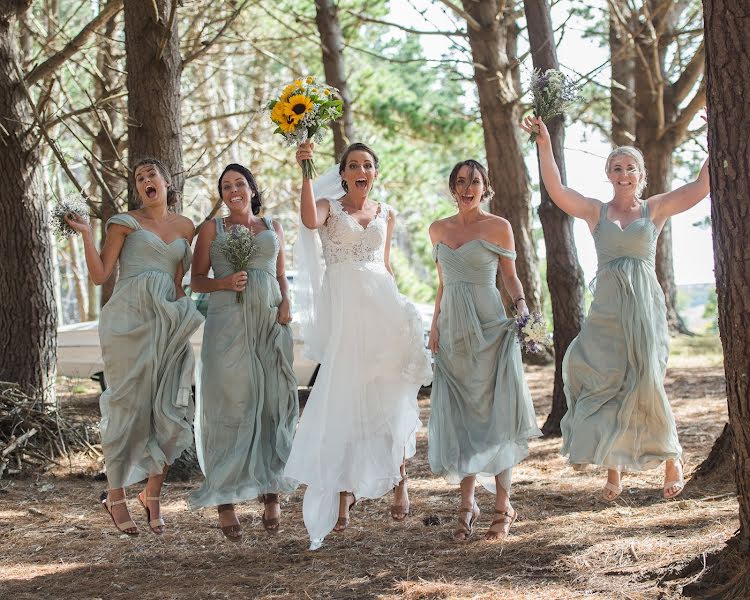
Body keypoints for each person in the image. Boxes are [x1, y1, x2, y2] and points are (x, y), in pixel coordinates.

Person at [521, 115, 710, 501]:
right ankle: (614, 470)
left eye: (630, 168)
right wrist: (543, 143)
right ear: (608, 174)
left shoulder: (653, 209)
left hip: (643, 309)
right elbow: (556, 189)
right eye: (617, 168)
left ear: (641, 175)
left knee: (646, 379)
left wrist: (712, 139)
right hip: (606, 312)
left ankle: (671, 457)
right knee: (605, 382)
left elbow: (700, 187)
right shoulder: (596, 212)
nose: (624, 173)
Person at [284, 141, 432, 549]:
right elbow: (308, 219)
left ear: (375, 173)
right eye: (353, 165)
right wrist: (305, 170)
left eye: (368, 165)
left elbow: (384, 266)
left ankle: (401, 480)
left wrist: (404, 309)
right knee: (345, 399)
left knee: (391, 398)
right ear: (343, 173)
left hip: (384, 313)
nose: (361, 170)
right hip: (348, 318)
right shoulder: (330, 207)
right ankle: (343, 494)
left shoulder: (387, 213)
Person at [65, 158, 204, 535]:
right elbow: (99, 275)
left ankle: (152, 496)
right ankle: (115, 496)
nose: (145, 181)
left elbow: (178, 282)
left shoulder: (186, 227)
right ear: (138, 189)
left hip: (169, 324)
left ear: (166, 181)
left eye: (151, 175)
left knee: (168, 410)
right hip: (129, 321)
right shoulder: (124, 223)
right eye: (139, 178)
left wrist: (184, 312)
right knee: (127, 406)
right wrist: (86, 233)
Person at [428, 160, 541, 541]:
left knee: (496, 416)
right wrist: (433, 328)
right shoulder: (438, 229)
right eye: (460, 181)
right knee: (463, 420)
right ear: (452, 187)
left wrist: (527, 316)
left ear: (485, 187)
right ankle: (466, 504)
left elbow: (510, 278)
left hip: (491, 329)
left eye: (474, 181)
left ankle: (502, 505)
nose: (467, 187)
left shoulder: (499, 227)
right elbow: (443, 285)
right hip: (453, 332)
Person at [187, 164, 298, 541]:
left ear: (252, 188)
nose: (233, 190)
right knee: (230, 405)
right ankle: (225, 500)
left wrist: (287, 302)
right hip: (228, 324)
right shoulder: (210, 230)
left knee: (272, 402)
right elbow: (196, 279)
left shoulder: (272, 228)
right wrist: (223, 282)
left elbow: (281, 273)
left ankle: (271, 493)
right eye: (225, 186)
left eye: (239, 184)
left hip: (269, 322)